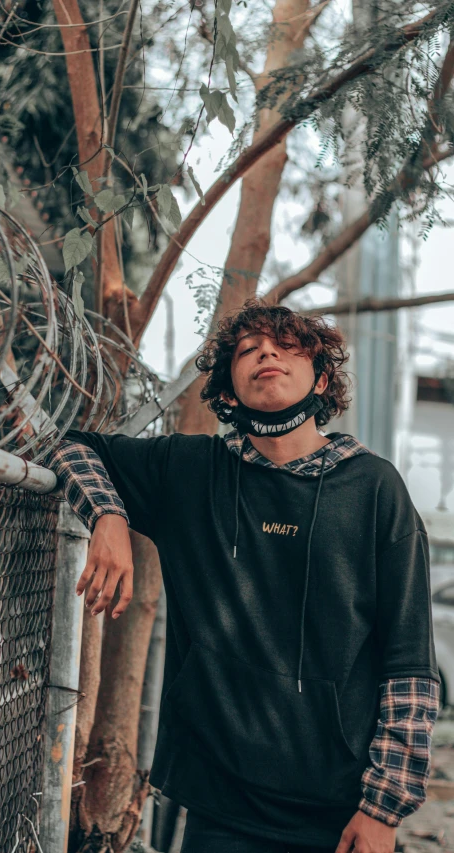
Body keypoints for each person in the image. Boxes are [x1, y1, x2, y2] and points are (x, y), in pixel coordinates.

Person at [46, 299, 440, 853]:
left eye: (284, 346)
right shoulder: (190, 470)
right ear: (228, 391)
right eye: (248, 349)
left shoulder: (375, 489)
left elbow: (410, 665)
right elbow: (72, 445)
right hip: (220, 807)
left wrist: (384, 808)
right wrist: (108, 517)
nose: (266, 353)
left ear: (322, 379)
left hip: (343, 812)